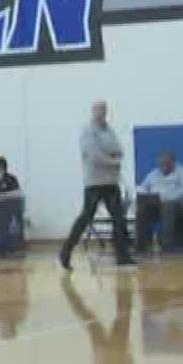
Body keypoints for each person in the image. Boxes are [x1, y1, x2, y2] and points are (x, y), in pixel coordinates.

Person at [59, 100, 135, 270]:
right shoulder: (88, 131)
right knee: (86, 217)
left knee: (118, 218)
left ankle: (123, 256)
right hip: (94, 182)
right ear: (93, 111)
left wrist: (111, 156)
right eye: (99, 110)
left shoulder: (109, 129)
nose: (102, 113)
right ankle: (65, 251)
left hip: (111, 182)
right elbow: (94, 156)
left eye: (104, 110)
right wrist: (112, 160)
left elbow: (119, 149)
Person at [137, 149, 183, 251]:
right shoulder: (154, 173)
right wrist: (144, 194)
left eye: (166, 163)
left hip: (177, 205)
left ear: (173, 162)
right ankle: (142, 244)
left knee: (168, 207)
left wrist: (168, 198)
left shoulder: (182, 173)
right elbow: (144, 187)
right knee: (141, 211)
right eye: (161, 163)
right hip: (156, 204)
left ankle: (167, 245)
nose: (163, 165)